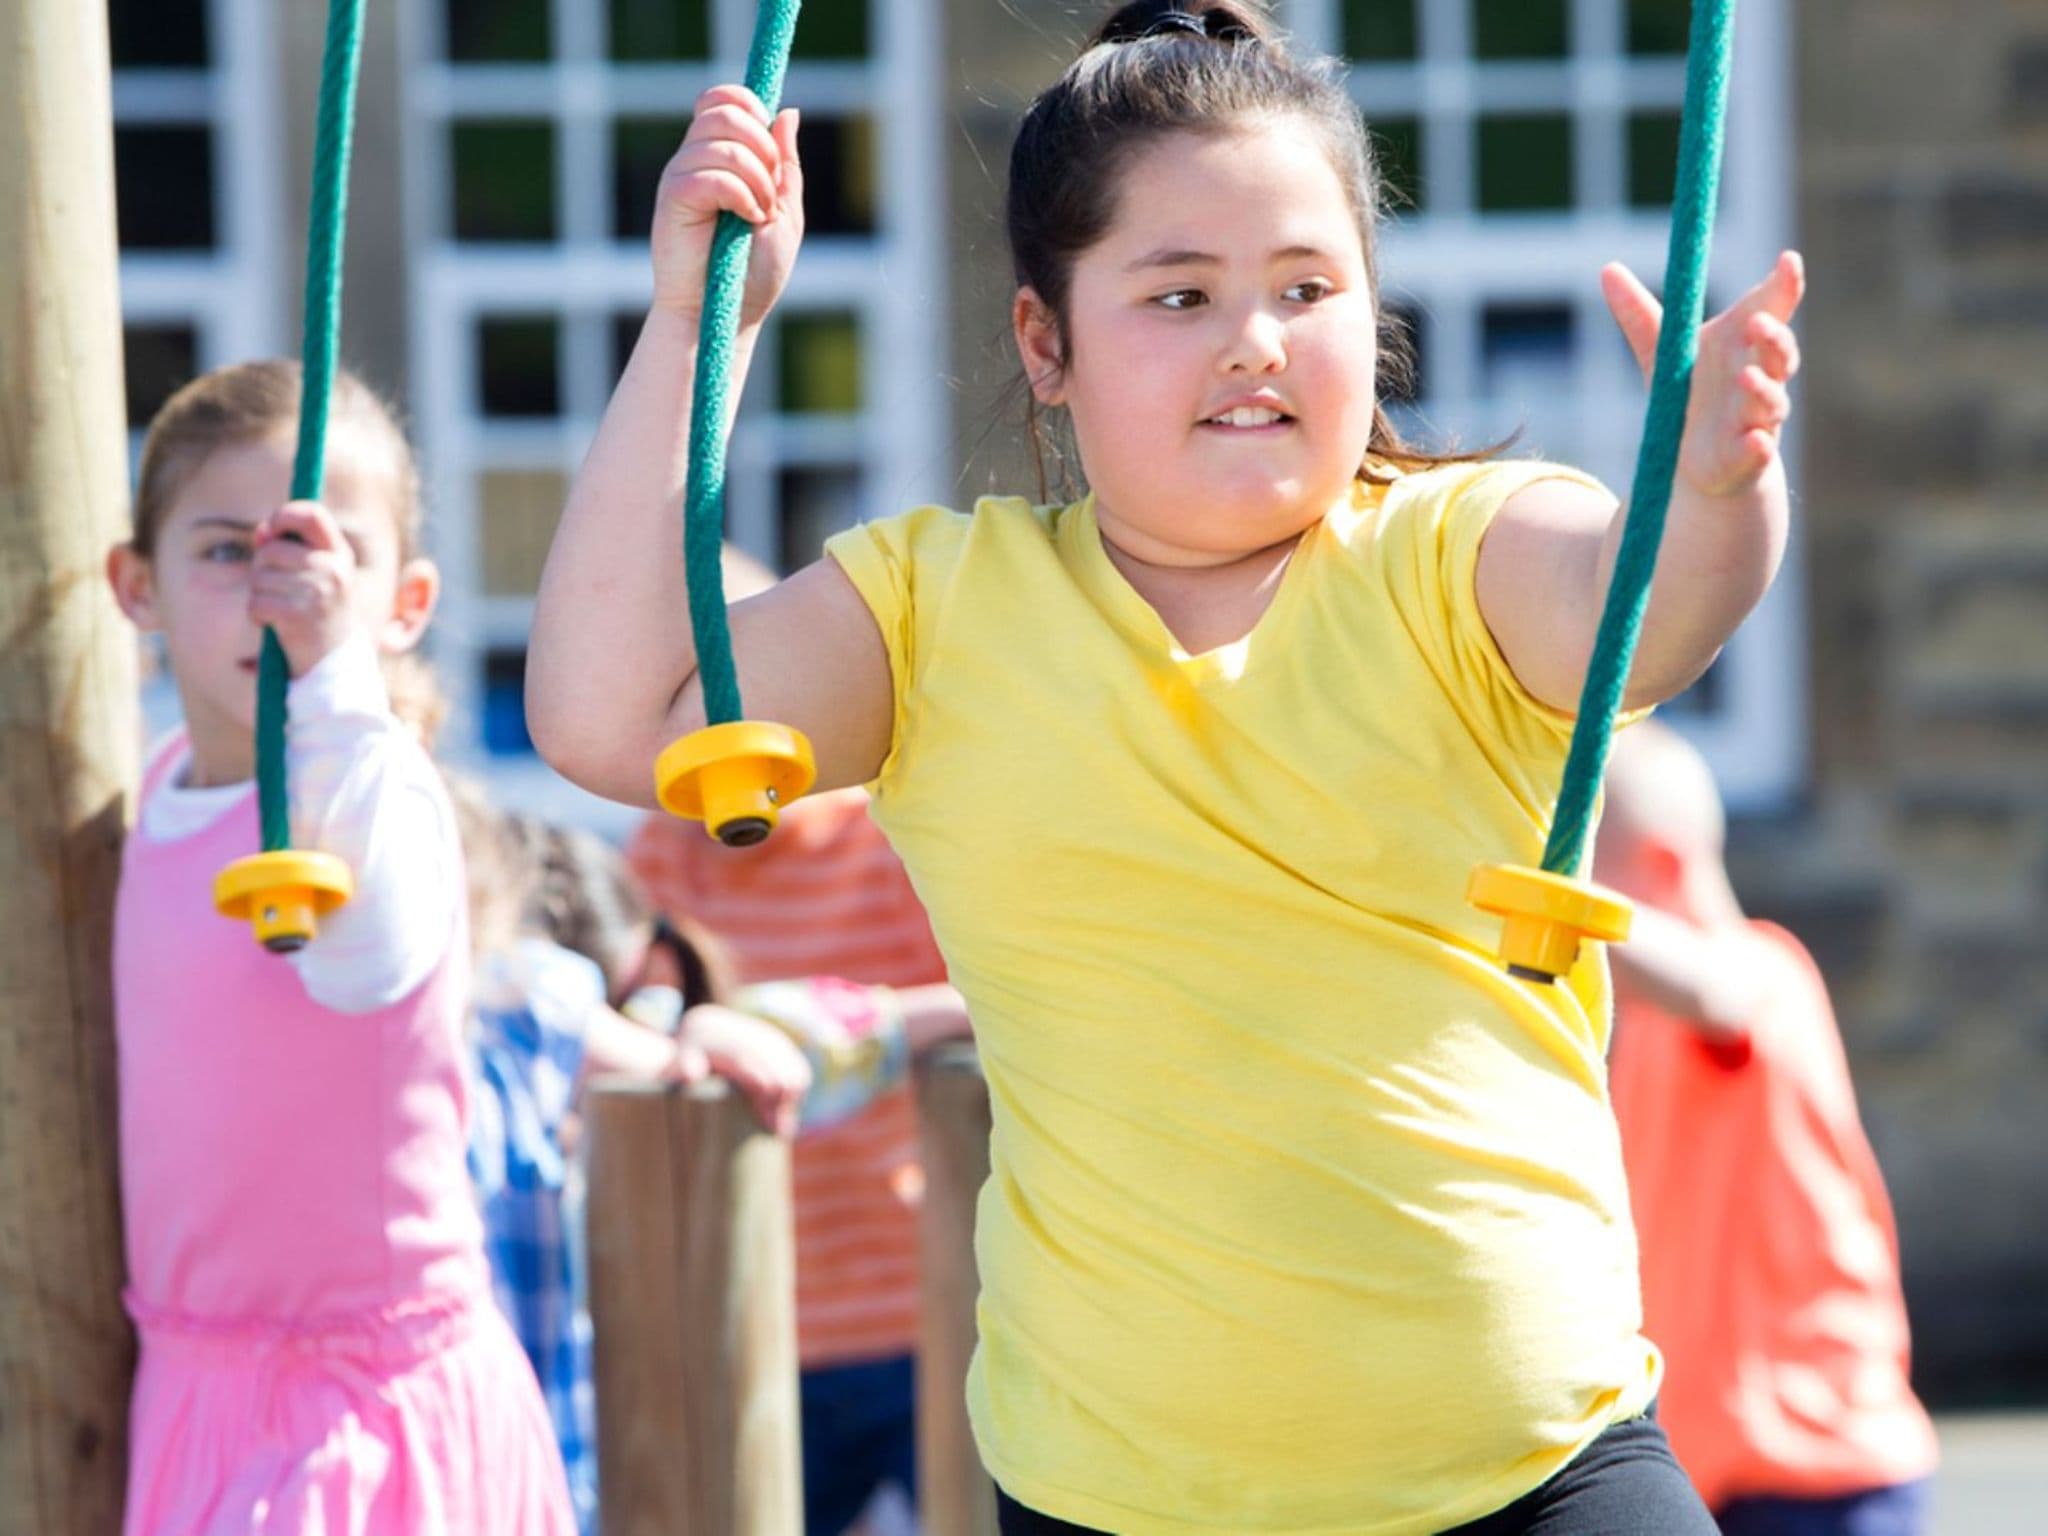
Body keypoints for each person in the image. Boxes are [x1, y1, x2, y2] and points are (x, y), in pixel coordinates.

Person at [525, 2, 1807, 1529]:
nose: (1254, 339)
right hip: (1126, 1497)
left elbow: (1643, 606)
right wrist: (699, 328)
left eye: (1305, 288)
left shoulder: (1458, 551)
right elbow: (615, 717)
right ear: (1043, 344)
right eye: (1181, 294)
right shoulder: (940, 610)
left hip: (1537, 1471)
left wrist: (1721, 487)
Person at [105, 359, 575, 1532]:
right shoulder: (148, 794)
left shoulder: (380, 796)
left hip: (364, 1412)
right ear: (137, 584)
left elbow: (363, 957)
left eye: (325, 556)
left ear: (404, 602)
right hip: (195, 1388)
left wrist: (333, 683)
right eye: (225, 551)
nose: (278, 589)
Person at [628, 548, 952, 1536]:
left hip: (914, 1304)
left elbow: (984, 995)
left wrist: (872, 1025)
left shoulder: (886, 842)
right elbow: (646, 1025)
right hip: (757, 1308)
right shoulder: (658, 862)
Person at [1595, 723, 1940, 1535]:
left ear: (1659, 871)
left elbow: (1718, 994)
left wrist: (1560, 903)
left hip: (1821, 1461)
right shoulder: (1637, 1035)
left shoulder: (1767, 973)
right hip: (1714, 1461)